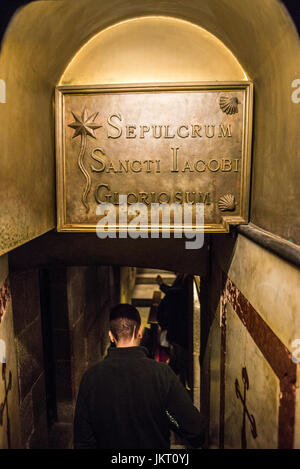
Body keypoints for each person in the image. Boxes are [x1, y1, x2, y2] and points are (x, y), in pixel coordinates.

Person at [74, 303, 207, 449]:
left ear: (111, 336)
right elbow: (195, 430)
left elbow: (83, 441)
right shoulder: (161, 374)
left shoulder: (91, 379)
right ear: (140, 332)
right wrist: (167, 416)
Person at [156, 273, 190, 386]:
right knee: (179, 362)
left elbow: (161, 313)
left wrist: (164, 325)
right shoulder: (183, 284)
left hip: (176, 332)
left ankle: (171, 385)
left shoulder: (177, 291)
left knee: (178, 361)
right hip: (182, 333)